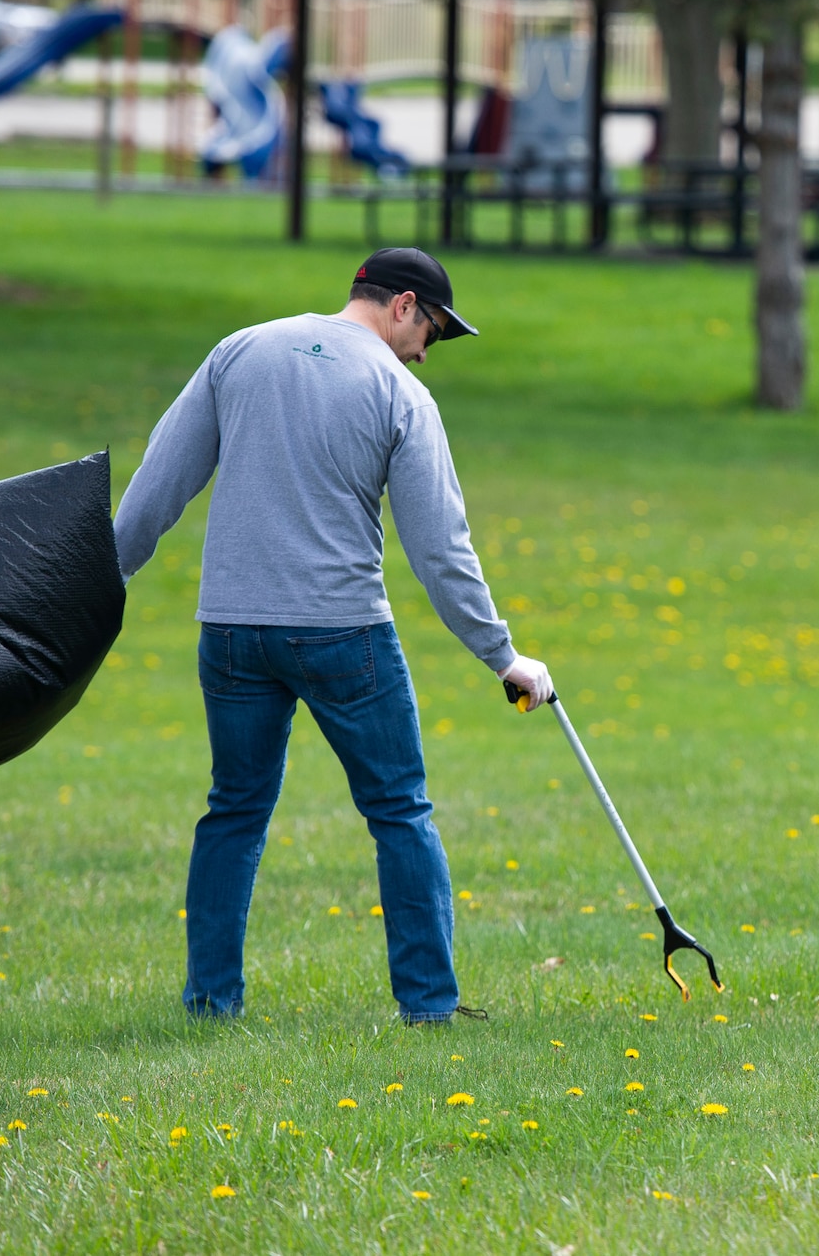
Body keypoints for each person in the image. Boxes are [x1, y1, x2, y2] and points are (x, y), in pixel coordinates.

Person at [111, 246, 553, 1024]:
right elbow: (441, 550)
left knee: (234, 810)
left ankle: (212, 1002)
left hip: (232, 629)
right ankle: (429, 1007)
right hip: (343, 634)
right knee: (400, 811)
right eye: (435, 332)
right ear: (404, 304)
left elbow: (158, 481)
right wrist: (504, 656)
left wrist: (106, 574)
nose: (429, 351)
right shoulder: (398, 391)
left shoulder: (238, 351)